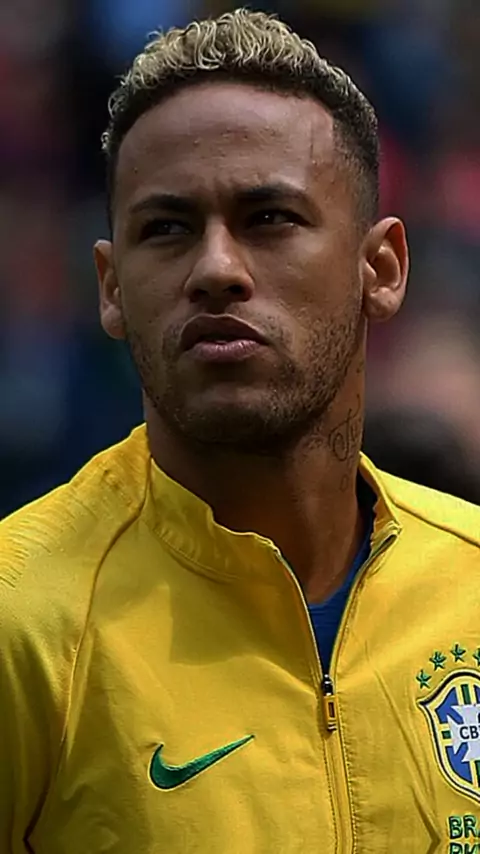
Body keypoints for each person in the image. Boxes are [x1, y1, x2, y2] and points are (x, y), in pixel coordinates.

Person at [1, 9, 479, 853]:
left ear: (381, 269)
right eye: (167, 228)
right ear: (111, 288)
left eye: (269, 218)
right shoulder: (24, 621)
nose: (216, 269)